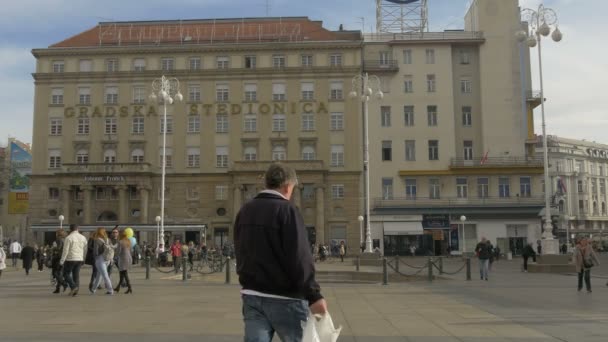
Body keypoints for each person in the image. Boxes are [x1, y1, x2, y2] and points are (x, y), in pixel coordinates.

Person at [234, 163, 327, 341]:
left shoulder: (245, 210)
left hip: (252, 296)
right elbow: (299, 256)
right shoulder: (287, 210)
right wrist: (314, 295)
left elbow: (239, 249)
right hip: (286, 298)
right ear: (287, 186)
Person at [60, 224, 88, 297]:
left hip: (71, 258)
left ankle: (73, 286)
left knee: (65, 273)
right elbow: (85, 249)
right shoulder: (83, 237)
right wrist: (83, 258)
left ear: (70, 229)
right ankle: (75, 292)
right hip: (79, 258)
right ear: (77, 229)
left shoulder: (68, 238)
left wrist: (62, 261)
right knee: (76, 275)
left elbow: (65, 250)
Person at [91, 228, 114, 295]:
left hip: (100, 259)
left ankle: (110, 290)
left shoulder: (97, 240)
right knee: (99, 274)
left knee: (105, 275)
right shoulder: (108, 240)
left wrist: (95, 257)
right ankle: (93, 289)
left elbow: (95, 251)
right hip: (108, 259)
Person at [51, 229, 68, 294]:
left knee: (55, 273)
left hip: (58, 257)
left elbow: (58, 248)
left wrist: (53, 248)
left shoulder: (59, 239)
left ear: (58, 233)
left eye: (56, 232)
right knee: (59, 273)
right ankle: (57, 288)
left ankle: (64, 283)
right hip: (63, 257)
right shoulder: (65, 239)